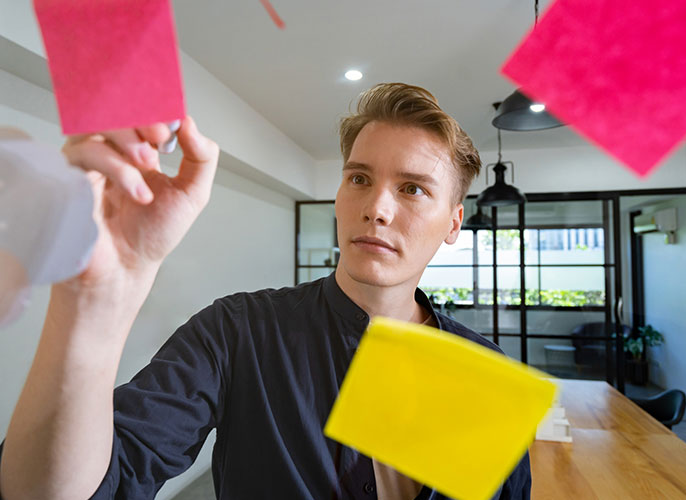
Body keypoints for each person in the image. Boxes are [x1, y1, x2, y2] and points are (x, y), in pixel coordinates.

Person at [0, 83, 531, 500]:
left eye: (412, 188)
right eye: (360, 179)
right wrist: (93, 299)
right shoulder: (237, 333)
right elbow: (80, 489)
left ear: (454, 222)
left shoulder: (487, 374)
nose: (377, 208)